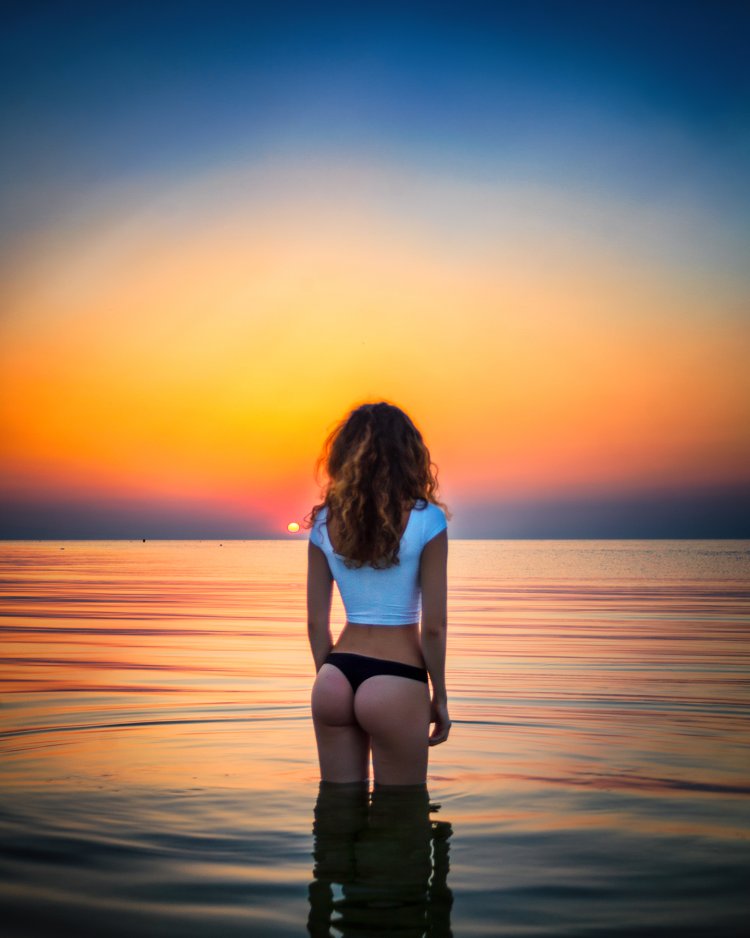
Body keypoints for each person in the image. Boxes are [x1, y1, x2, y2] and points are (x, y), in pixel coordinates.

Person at [306, 401, 451, 786]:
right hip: (396, 679)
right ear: (409, 455)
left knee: (335, 817)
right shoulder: (427, 519)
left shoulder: (323, 522)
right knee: (402, 820)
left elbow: (316, 624)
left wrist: (330, 680)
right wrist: (440, 695)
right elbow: (434, 627)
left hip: (335, 674)